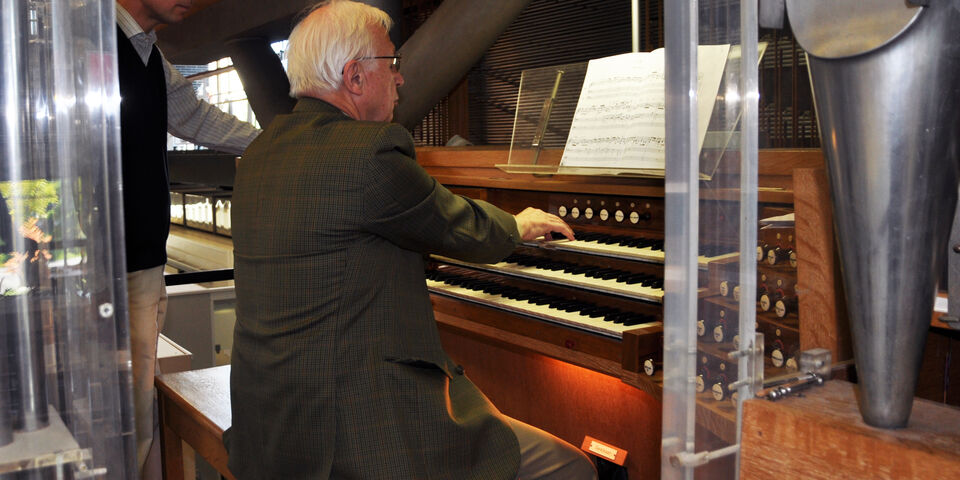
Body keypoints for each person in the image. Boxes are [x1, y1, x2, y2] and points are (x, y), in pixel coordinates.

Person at [224, 1, 598, 479]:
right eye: (391, 63)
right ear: (355, 76)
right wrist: (518, 223)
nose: (400, 78)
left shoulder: (261, 151)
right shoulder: (366, 151)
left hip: (270, 418)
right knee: (570, 466)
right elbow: (461, 228)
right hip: (350, 432)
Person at [115, 0, 261, 478]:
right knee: (111, 420)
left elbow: (198, 117)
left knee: (131, 417)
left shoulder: (149, 55)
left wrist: (286, 140)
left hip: (138, 265)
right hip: (98, 272)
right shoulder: (86, 43)